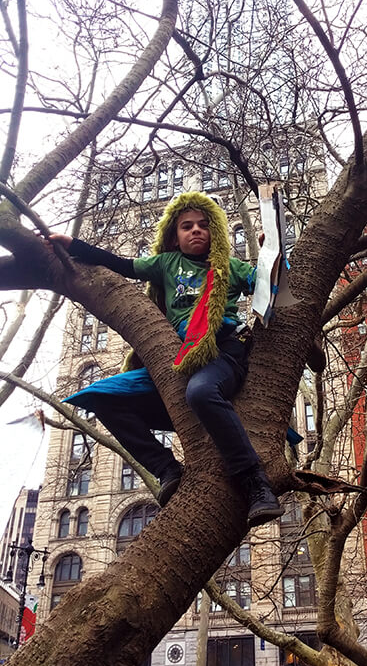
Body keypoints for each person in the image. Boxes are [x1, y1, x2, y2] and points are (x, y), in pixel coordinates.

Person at [49, 192, 285, 528]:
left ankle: (255, 483)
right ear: (174, 236)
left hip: (222, 355)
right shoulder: (166, 265)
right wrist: (73, 244)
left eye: (204, 225)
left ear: (215, 231)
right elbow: (121, 264)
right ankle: (165, 468)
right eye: (186, 226)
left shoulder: (231, 268)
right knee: (98, 396)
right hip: (178, 359)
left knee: (201, 393)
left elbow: (269, 286)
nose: (195, 231)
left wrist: (269, 254)